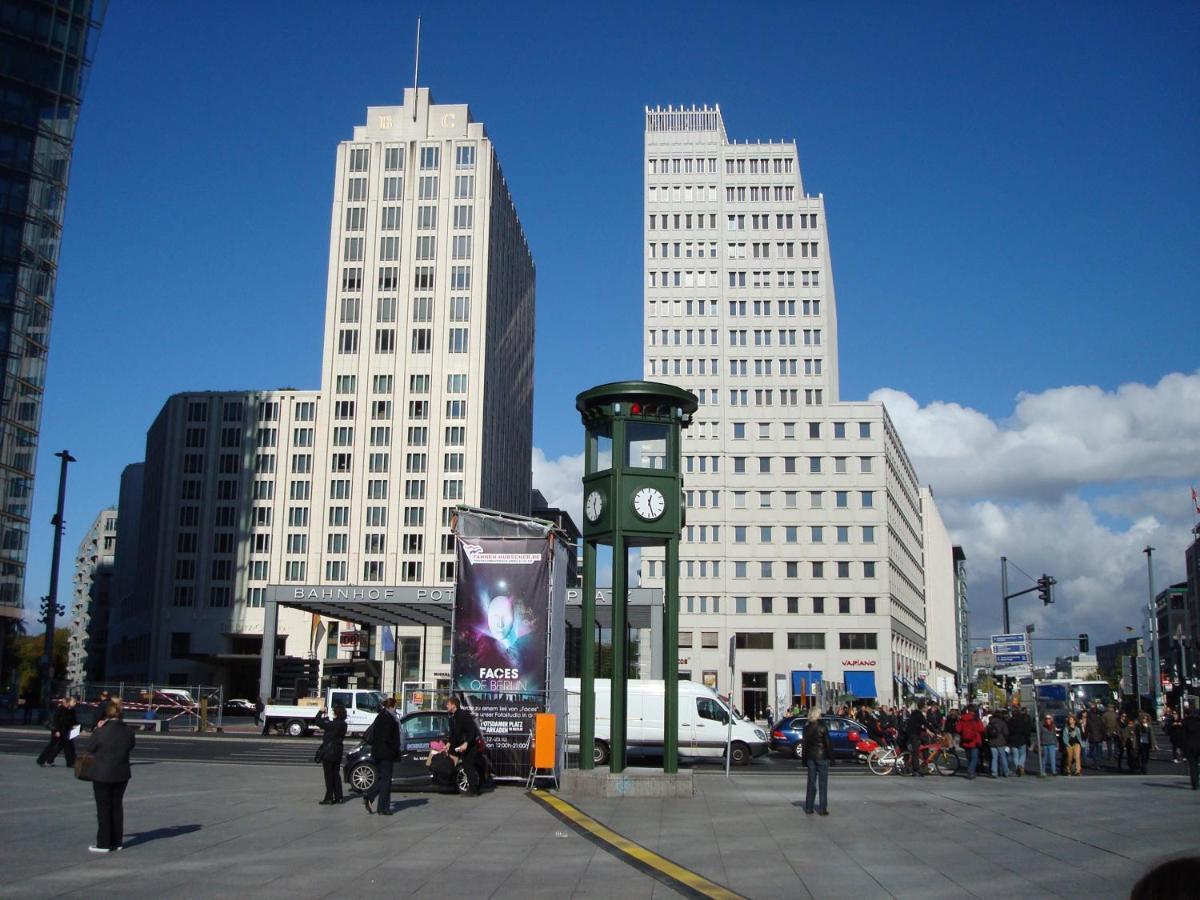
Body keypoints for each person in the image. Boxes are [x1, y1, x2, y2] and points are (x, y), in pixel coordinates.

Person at [78, 700, 135, 852]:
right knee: (117, 806)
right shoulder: (129, 731)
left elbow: (89, 748)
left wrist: (98, 728)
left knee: (103, 807)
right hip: (121, 772)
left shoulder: (101, 731)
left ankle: (103, 843)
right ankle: (117, 841)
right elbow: (130, 746)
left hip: (102, 773)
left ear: (107, 714)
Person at [363, 697, 400, 815]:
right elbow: (389, 738)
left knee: (382, 778)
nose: (396, 708)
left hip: (378, 752)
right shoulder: (389, 719)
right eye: (396, 706)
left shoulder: (380, 716)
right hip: (386, 753)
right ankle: (383, 808)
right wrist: (395, 749)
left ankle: (370, 797)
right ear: (392, 706)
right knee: (386, 780)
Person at [446, 696, 483, 795]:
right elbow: (453, 733)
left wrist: (466, 743)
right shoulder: (453, 717)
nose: (447, 706)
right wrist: (449, 743)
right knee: (466, 766)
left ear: (453, 705)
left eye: (448, 704)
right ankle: (471, 788)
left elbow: (472, 730)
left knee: (468, 766)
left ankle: (473, 790)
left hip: (470, 745)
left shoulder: (463, 715)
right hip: (460, 745)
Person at [801, 705, 833, 815]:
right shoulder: (822, 727)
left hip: (810, 757)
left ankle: (809, 807)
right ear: (817, 715)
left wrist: (804, 759)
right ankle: (822, 808)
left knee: (811, 783)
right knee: (823, 784)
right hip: (822, 756)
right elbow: (827, 743)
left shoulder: (806, 727)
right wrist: (831, 758)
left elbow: (804, 744)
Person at [315, 703, 347, 805]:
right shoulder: (343, 724)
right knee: (336, 775)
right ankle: (339, 797)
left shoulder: (333, 724)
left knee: (328, 775)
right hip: (338, 751)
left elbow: (318, 721)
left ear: (336, 714)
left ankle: (329, 797)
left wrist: (320, 712)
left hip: (329, 752)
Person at [37, 696, 77, 767]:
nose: (67, 704)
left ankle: (70, 763)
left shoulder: (70, 710)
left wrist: (78, 728)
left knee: (67, 747)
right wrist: (57, 730)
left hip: (65, 731)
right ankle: (41, 760)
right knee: (52, 746)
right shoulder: (60, 710)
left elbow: (72, 721)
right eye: (67, 703)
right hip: (58, 731)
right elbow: (56, 721)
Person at [955, 705, 985, 779]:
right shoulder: (976, 719)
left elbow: (958, 729)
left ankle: (970, 771)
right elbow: (981, 729)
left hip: (965, 741)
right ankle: (971, 771)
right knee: (974, 758)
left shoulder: (963, 718)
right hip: (975, 741)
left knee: (969, 757)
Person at [1007, 706, 1032, 776]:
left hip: (1013, 741)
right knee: (1023, 754)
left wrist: (1009, 740)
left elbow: (1008, 732)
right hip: (1022, 740)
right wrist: (1027, 739)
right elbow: (1026, 731)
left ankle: (1017, 766)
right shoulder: (1022, 721)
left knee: (1015, 756)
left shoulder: (1010, 721)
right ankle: (1020, 765)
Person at [904, 703, 927, 776]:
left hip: (911, 734)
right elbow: (926, 724)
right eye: (925, 707)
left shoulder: (914, 713)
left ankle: (922, 763)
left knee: (917, 749)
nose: (926, 708)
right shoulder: (919, 715)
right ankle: (916, 769)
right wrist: (933, 732)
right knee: (915, 752)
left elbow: (919, 725)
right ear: (923, 708)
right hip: (914, 735)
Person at [986, 709, 1009, 777]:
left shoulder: (990, 723)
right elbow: (1006, 733)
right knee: (1003, 757)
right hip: (1001, 742)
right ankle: (1006, 771)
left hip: (992, 742)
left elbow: (986, 733)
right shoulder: (1002, 722)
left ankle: (994, 772)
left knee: (994, 757)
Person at [1181, 704, 1200, 790]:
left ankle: (1194, 783)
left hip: (1190, 746)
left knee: (1192, 766)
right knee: (1198, 765)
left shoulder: (1185, 722)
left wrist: (1183, 750)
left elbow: (1183, 737)